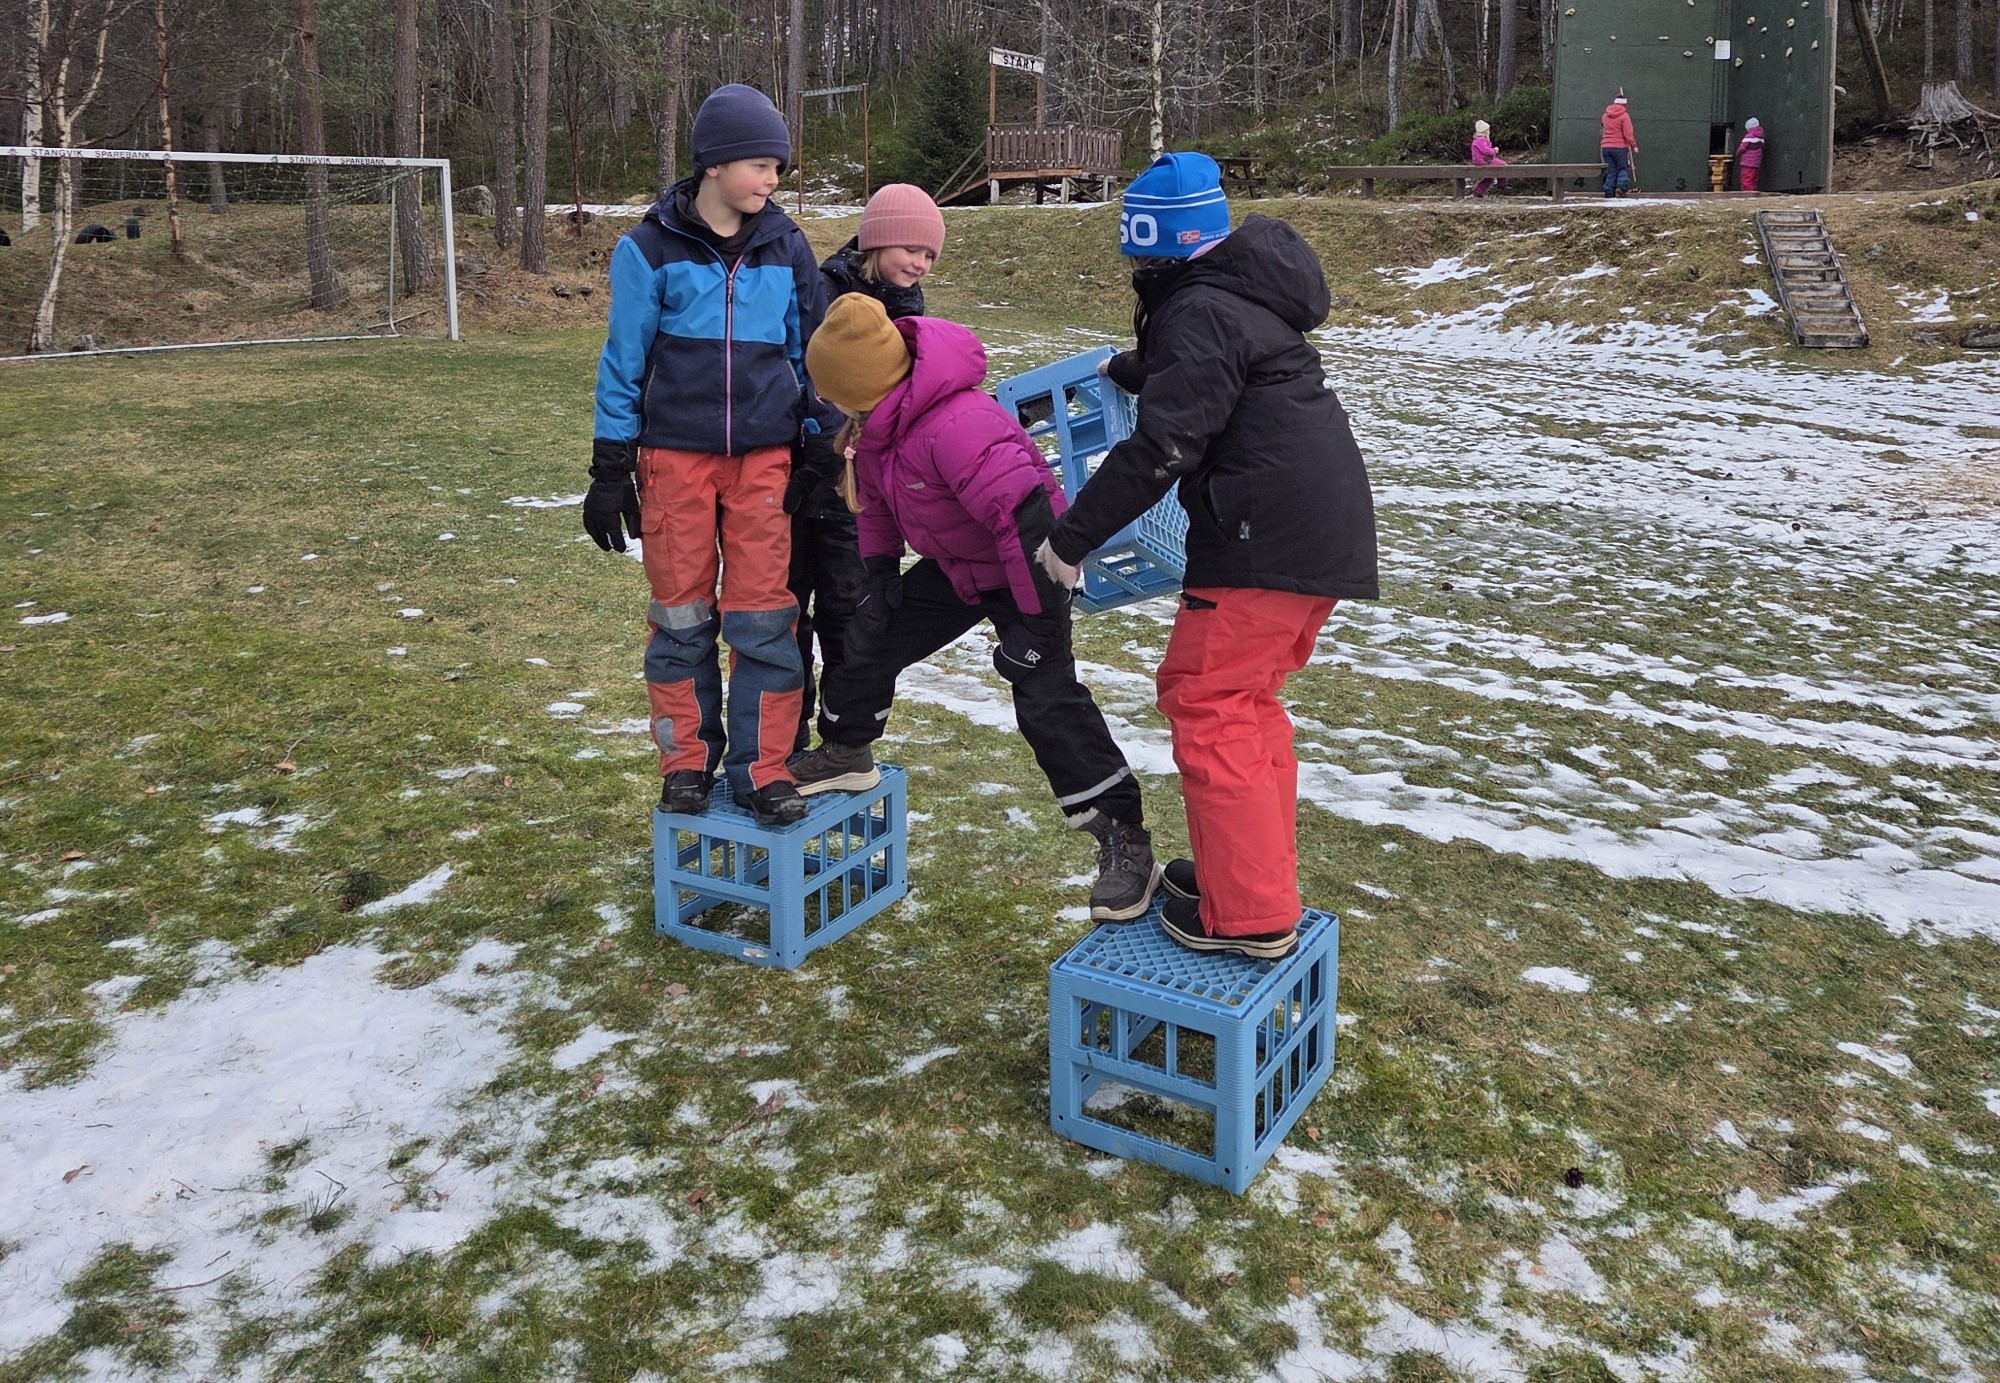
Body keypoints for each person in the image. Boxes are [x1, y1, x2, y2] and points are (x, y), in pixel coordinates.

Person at [1035, 152, 1379, 962]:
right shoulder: (1231, 294)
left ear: (1151, 240)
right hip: (1309, 534)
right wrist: (1131, 369)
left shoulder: (1199, 310)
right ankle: (1244, 876)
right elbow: (1196, 377)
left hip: (1262, 541)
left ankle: (1252, 913)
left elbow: (1165, 442)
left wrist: (1070, 539)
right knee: (1245, 706)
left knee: (1209, 701)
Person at [788, 294, 1163, 923]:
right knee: (867, 638)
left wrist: (1039, 627)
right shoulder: (878, 426)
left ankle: (1125, 840)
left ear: (858, 385)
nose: (827, 404)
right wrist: (879, 575)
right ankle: (847, 750)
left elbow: (1025, 526)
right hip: (960, 568)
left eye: (832, 393)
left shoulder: (957, 425)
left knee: (1046, 699)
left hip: (1031, 570)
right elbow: (877, 505)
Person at [584, 83, 840, 828]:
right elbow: (623, 361)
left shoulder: (787, 246)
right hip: (674, 462)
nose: (771, 180)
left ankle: (763, 766)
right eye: (760, 164)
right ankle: (686, 761)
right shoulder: (647, 249)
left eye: (777, 168)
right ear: (716, 164)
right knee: (681, 618)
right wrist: (609, 465)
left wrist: (820, 441)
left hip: (765, 463)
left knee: (765, 618)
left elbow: (813, 353)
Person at [785, 184, 947, 754]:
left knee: (849, 617)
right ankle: (786, 735)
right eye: (912, 249)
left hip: (858, 495)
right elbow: (814, 381)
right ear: (878, 240)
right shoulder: (826, 291)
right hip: (802, 480)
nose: (921, 265)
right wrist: (816, 456)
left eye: (930, 256)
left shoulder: (910, 305)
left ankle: (843, 738)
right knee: (786, 614)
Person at [1601, 91, 1638, 198]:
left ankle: (1609, 192)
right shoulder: (1624, 116)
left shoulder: (1605, 115)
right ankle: (1621, 188)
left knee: (1611, 171)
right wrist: (1634, 145)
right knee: (1623, 168)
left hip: (1605, 147)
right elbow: (1628, 133)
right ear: (1624, 104)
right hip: (1619, 148)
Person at [1470, 119, 1508, 198]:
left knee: (1489, 177)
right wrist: (1494, 150)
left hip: (1480, 161)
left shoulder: (1477, 140)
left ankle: (1478, 192)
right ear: (1485, 131)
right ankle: (1502, 185)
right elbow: (1486, 151)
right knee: (1503, 165)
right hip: (1484, 161)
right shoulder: (1481, 140)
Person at [1736, 117, 1766, 193]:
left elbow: (1742, 148)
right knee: (1754, 180)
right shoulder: (1761, 137)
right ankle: (1753, 194)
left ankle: (1747, 195)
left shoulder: (1749, 137)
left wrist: (1738, 154)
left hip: (1748, 162)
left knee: (1746, 180)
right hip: (1756, 163)